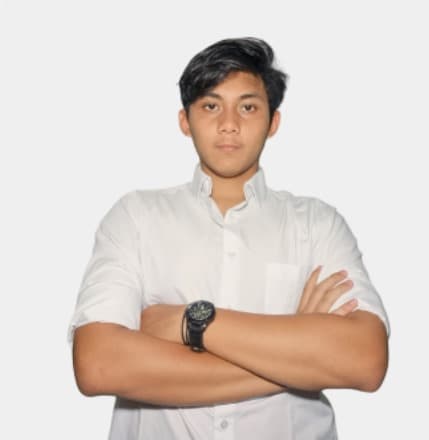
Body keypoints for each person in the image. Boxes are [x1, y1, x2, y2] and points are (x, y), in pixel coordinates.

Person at [69, 37, 390, 440]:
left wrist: (191, 322)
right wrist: (298, 355)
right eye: (210, 106)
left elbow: (365, 360)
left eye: (248, 107)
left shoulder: (317, 224)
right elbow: (98, 365)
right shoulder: (135, 217)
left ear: (273, 122)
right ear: (185, 120)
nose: (229, 123)